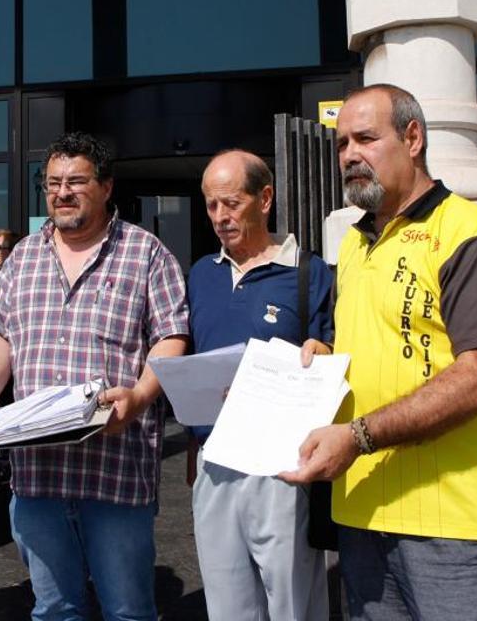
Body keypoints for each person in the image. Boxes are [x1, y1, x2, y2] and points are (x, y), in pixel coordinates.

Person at [280, 85, 477, 620]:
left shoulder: (473, 232)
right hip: (365, 512)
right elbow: (377, 347)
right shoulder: (354, 242)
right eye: (342, 143)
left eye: (367, 138)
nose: (350, 154)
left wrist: (360, 435)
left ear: (413, 137)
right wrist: (313, 364)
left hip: (460, 528)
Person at [0, 131, 189, 621]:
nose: (62, 192)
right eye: (53, 183)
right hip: (37, 473)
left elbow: (171, 337)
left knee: (128, 610)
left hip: (115, 469)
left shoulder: (146, 253)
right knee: (54, 609)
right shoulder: (23, 257)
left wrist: (143, 395)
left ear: (106, 186)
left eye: (76, 181)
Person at [187, 149, 332, 621]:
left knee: (292, 603)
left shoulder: (311, 274)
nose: (220, 217)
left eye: (230, 203)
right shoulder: (201, 275)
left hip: (281, 466)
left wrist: (321, 353)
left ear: (264, 198)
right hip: (216, 461)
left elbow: (333, 353)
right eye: (211, 205)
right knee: (226, 607)